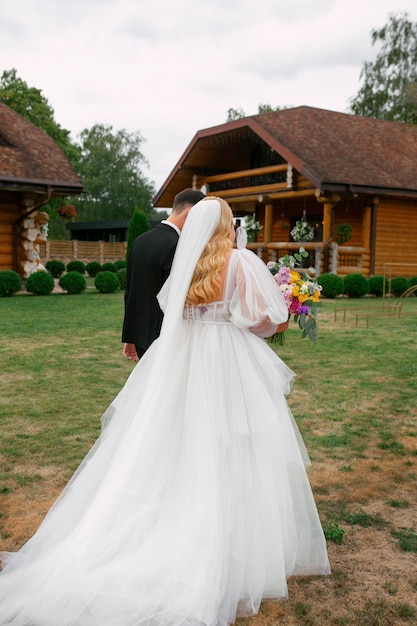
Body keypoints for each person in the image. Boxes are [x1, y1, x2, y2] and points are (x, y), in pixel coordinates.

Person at [0, 197, 330, 626]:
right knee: (233, 443)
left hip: (184, 356)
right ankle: (230, 542)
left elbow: (167, 307)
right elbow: (263, 319)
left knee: (175, 437)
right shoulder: (241, 261)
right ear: (228, 226)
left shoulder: (186, 263)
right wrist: (284, 310)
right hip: (226, 359)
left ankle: (168, 519)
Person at [122, 187, 205, 361]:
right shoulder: (178, 246)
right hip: (165, 338)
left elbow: (130, 292)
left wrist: (130, 336)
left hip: (141, 336)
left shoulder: (139, 241)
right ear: (190, 213)